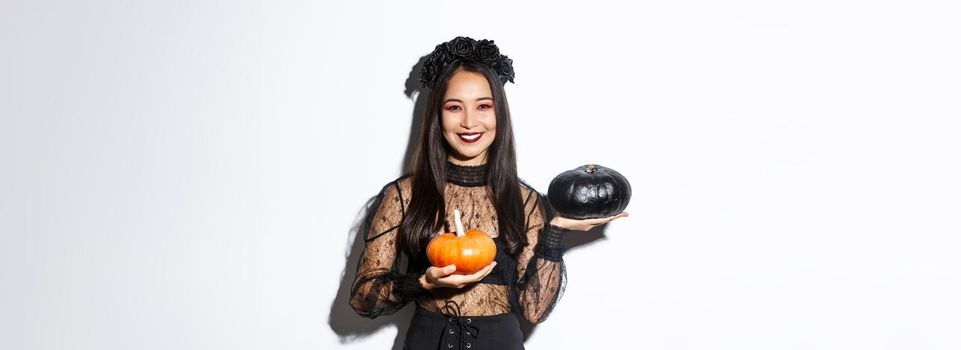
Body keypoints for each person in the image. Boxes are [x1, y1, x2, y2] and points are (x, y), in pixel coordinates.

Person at [349, 36, 628, 350]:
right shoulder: (404, 195)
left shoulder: (525, 200)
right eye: (455, 107)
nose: (469, 121)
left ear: (500, 114)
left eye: (483, 106)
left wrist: (555, 232)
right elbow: (363, 299)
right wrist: (424, 283)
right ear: (437, 117)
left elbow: (534, 310)